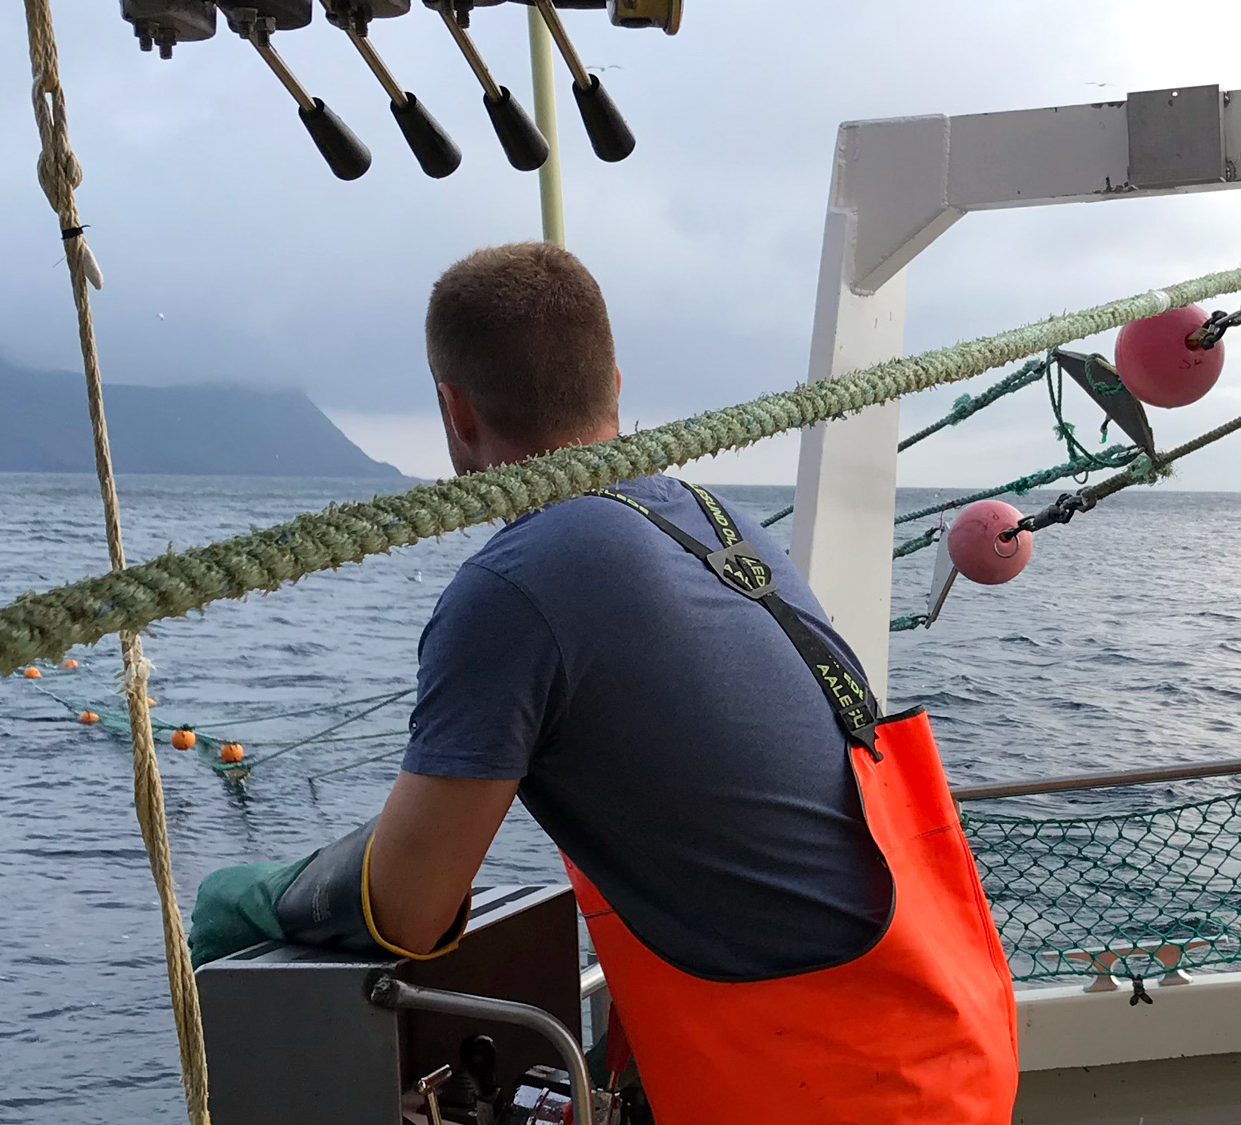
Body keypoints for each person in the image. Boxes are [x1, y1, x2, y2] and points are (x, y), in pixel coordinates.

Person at [350, 243, 1013, 1123]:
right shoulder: (718, 524)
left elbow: (409, 909)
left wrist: (265, 894)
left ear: (455, 410)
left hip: (833, 1095)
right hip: (951, 1051)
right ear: (615, 385)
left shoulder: (511, 589)